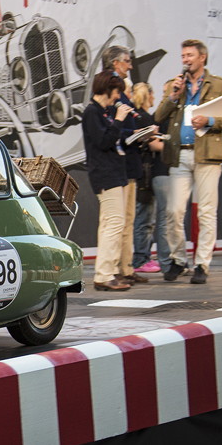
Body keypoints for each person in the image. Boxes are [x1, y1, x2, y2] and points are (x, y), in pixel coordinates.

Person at [154, 39, 222, 284]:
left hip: (207, 155)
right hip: (180, 154)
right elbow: (158, 116)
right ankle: (178, 259)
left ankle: (202, 263)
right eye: (183, 56)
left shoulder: (218, 84)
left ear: (202, 57)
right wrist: (173, 96)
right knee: (174, 210)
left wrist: (210, 122)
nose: (185, 60)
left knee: (206, 212)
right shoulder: (175, 85)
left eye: (190, 55)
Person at [82, 70, 135, 291]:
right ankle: (104, 274)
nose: (117, 97)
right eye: (116, 92)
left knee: (109, 224)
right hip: (105, 174)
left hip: (113, 172)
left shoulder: (103, 112)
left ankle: (107, 272)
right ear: (108, 89)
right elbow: (104, 142)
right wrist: (119, 121)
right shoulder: (92, 112)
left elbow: (110, 138)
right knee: (114, 224)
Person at [103, 46, 147, 286]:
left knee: (128, 218)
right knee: (119, 220)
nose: (131, 66)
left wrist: (140, 132)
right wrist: (135, 132)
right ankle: (114, 270)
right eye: (127, 61)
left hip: (129, 161)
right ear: (115, 63)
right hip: (120, 162)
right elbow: (114, 126)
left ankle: (126, 267)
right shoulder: (113, 90)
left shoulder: (121, 90)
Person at [131, 82, 171, 273]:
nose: (157, 99)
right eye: (156, 94)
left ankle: (142, 256)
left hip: (143, 172)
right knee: (145, 217)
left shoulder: (139, 116)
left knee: (145, 217)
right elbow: (155, 146)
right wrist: (176, 148)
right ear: (148, 95)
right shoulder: (144, 117)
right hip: (145, 174)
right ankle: (141, 258)